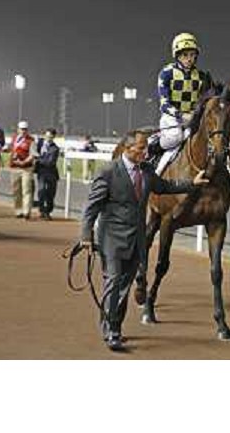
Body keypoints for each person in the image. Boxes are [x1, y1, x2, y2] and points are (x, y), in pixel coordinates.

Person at [80, 130, 209, 352]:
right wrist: (85, 235)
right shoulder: (109, 172)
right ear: (127, 148)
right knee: (113, 282)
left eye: (145, 147)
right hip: (112, 238)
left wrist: (193, 183)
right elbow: (92, 208)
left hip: (137, 239)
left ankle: (112, 325)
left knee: (123, 286)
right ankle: (112, 331)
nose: (145, 152)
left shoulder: (147, 171)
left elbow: (166, 187)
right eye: (140, 148)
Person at [155, 31, 213, 174]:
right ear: (177, 55)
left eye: (192, 55)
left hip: (192, 118)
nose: (189, 59)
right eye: (185, 55)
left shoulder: (202, 76)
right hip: (171, 118)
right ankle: (153, 151)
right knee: (176, 137)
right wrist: (181, 115)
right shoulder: (166, 73)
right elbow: (164, 103)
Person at [10, 120, 37, 219]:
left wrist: (24, 162)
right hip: (15, 168)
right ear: (18, 129)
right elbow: (11, 151)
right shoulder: (14, 139)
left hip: (26, 168)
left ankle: (27, 211)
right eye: (21, 129)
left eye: (25, 129)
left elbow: (33, 154)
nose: (23, 131)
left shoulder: (31, 140)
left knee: (27, 190)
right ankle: (18, 209)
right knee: (16, 190)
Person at [35, 128, 60, 220]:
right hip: (41, 172)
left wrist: (38, 159)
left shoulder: (55, 149)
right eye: (47, 136)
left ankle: (48, 211)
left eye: (50, 137)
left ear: (53, 137)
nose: (48, 138)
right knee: (41, 191)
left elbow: (50, 162)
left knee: (50, 194)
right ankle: (42, 210)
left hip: (51, 173)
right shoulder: (40, 143)